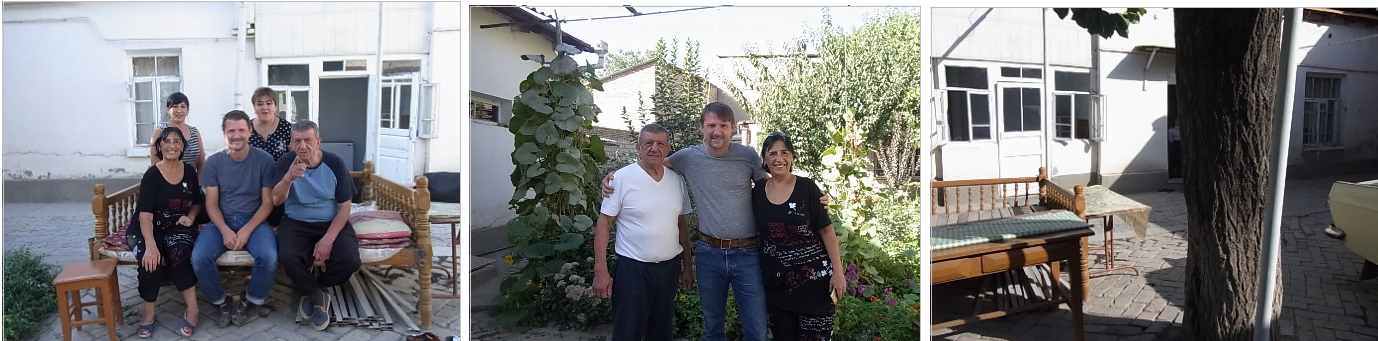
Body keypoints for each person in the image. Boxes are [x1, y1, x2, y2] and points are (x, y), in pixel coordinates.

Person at [591, 124, 695, 341]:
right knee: (627, 333)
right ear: (638, 147)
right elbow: (603, 224)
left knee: (661, 331)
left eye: (660, 144)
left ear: (668, 149)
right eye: (648, 143)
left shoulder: (677, 180)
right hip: (633, 271)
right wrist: (601, 271)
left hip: (668, 270)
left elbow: (681, 224)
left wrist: (687, 266)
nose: (654, 148)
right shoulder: (620, 179)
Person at [191, 110, 279, 328]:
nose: (236, 135)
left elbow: (268, 203)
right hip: (223, 219)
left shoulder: (264, 160)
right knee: (199, 258)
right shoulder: (214, 162)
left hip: (255, 220)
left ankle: (249, 300)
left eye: (241, 130)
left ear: (250, 131)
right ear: (224, 133)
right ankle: (221, 301)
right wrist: (224, 230)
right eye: (231, 130)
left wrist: (247, 230)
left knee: (268, 258)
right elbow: (211, 204)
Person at [752, 131, 843, 340]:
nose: (779, 158)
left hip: (815, 284)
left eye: (784, 152)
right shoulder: (756, 193)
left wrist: (838, 272)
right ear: (765, 159)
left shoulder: (807, 188)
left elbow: (827, 230)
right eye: (772, 153)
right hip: (777, 284)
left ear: (792, 156)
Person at [271, 120, 360, 331]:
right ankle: (316, 295)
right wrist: (288, 179)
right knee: (288, 257)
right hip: (296, 221)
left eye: (308, 140)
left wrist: (327, 240)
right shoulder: (285, 162)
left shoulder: (335, 163)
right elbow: (275, 200)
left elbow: (345, 208)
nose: (302, 146)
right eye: (297, 141)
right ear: (291, 144)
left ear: (318, 141)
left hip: (330, 220)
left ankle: (315, 288)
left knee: (350, 260)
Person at [133, 126, 204, 338]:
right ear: (160, 146)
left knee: (179, 250)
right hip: (147, 226)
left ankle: (193, 309)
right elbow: (145, 215)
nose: (172, 145)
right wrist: (152, 247)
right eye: (167, 141)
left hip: (177, 224)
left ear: (183, 147)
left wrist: (191, 217)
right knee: (149, 259)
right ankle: (148, 313)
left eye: (177, 141)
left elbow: (197, 203)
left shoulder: (189, 172)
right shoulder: (152, 175)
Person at [149, 92, 206, 173]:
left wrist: (199, 183)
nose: (179, 110)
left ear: (187, 110)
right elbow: (155, 164)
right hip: (167, 182)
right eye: (175, 106)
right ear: (168, 110)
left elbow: (202, 163)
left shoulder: (195, 132)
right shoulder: (159, 132)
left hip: (192, 182)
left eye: (183, 107)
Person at [249, 87, 293, 162]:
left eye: (268, 103)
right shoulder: (246, 128)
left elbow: (295, 157)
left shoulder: (287, 128)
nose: (264, 107)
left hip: (282, 173)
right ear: (254, 108)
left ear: (275, 107)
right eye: (260, 104)